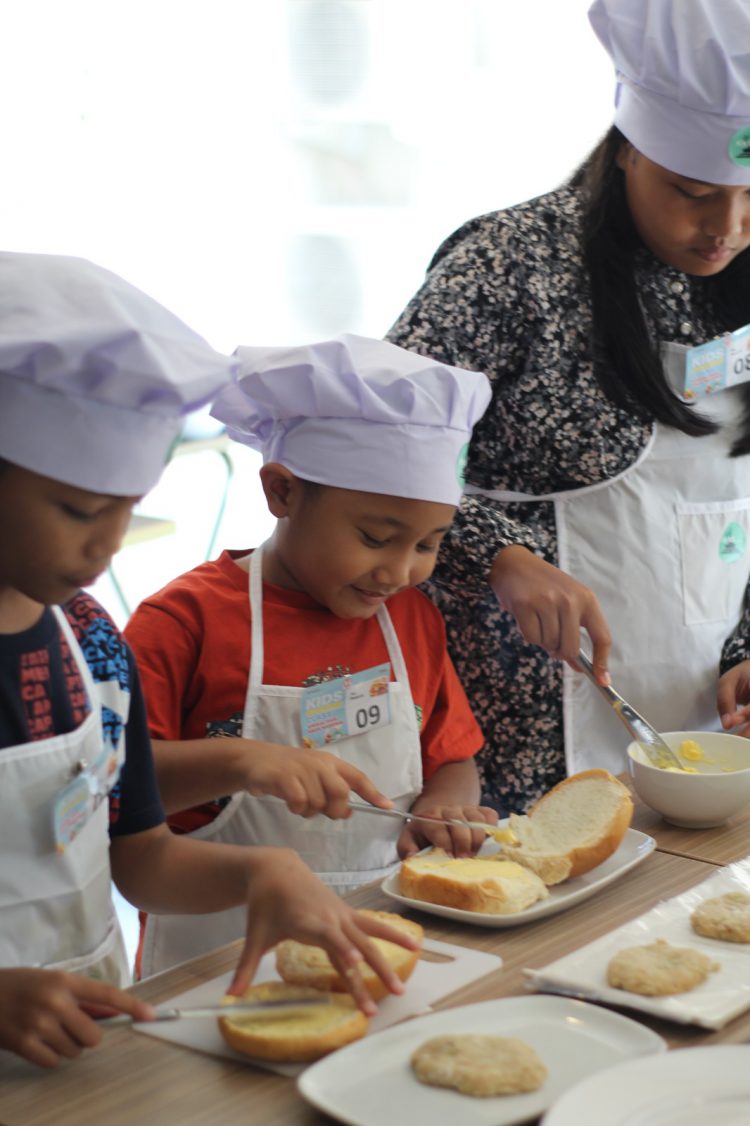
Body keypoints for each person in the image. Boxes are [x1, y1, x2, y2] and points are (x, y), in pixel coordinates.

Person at [0, 254, 418, 1069]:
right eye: (80, 509)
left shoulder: (89, 645)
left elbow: (141, 856)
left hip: (91, 1056)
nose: (108, 546)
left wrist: (258, 872)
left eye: (129, 510)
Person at [385, 0, 750, 814]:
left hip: (699, 727)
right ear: (628, 151)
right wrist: (498, 555)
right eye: (692, 192)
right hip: (515, 724)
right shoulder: (514, 263)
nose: (725, 229)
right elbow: (376, 449)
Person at [124, 333, 494, 978]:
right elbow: (116, 783)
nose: (401, 571)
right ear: (282, 492)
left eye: (429, 544)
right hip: (215, 955)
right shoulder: (183, 622)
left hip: (384, 937)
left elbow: (453, 755)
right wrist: (243, 761)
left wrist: (445, 804)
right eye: (376, 537)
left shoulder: (409, 618)